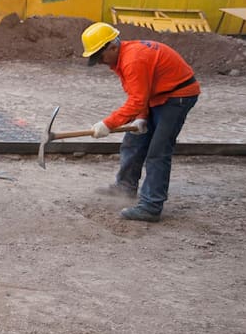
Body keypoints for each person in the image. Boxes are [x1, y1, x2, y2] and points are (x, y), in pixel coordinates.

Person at [81, 22, 200, 223]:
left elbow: (136, 100)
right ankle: (125, 187)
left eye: (100, 56)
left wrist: (108, 124)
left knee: (158, 151)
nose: (100, 62)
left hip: (177, 97)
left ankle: (151, 206)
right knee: (134, 141)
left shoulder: (132, 60)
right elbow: (140, 94)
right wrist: (142, 117)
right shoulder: (120, 59)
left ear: (112, 47)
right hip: (158, 95)